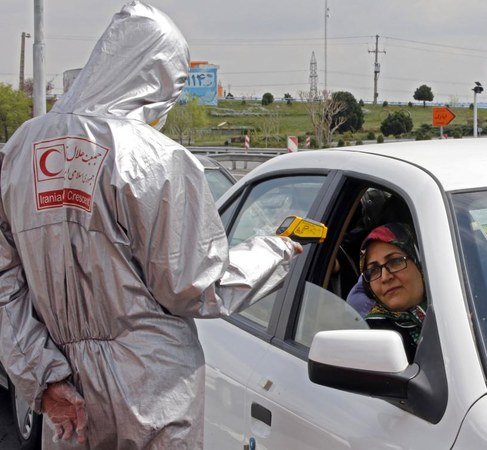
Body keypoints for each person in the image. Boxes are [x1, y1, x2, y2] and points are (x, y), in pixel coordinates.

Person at [0, 2, 300, 448]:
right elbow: (195, 286)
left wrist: (44, 379)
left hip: (70, 395)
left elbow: (5, 283)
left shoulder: (22, 148)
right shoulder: (157, 158)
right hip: (154, 390)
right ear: (157, 78)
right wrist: (278, 250)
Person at [359, 223, 426, 362]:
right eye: (374, 270)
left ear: (420, 263)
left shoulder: (465, 309)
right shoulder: (373, 336)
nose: (385, 277)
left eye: (395, 262)